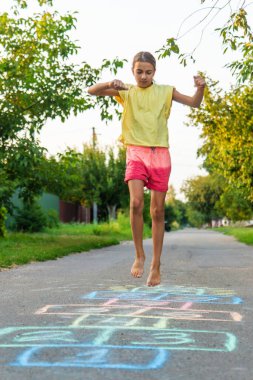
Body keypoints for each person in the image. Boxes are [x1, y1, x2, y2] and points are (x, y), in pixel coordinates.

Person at [88, 51, 205, 287]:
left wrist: (200, 87)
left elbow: (194, 103)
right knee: (136, 203)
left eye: (148, 72)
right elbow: (93, 90)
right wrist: (111, 83)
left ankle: (156, 264)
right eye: (139, 71)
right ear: (133, 71)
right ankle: (139, 255)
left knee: (158, 212)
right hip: (136, 152)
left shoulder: (165, 91)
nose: (143, 76)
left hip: (160, 153)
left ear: (155, 72)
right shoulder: (126, 91)